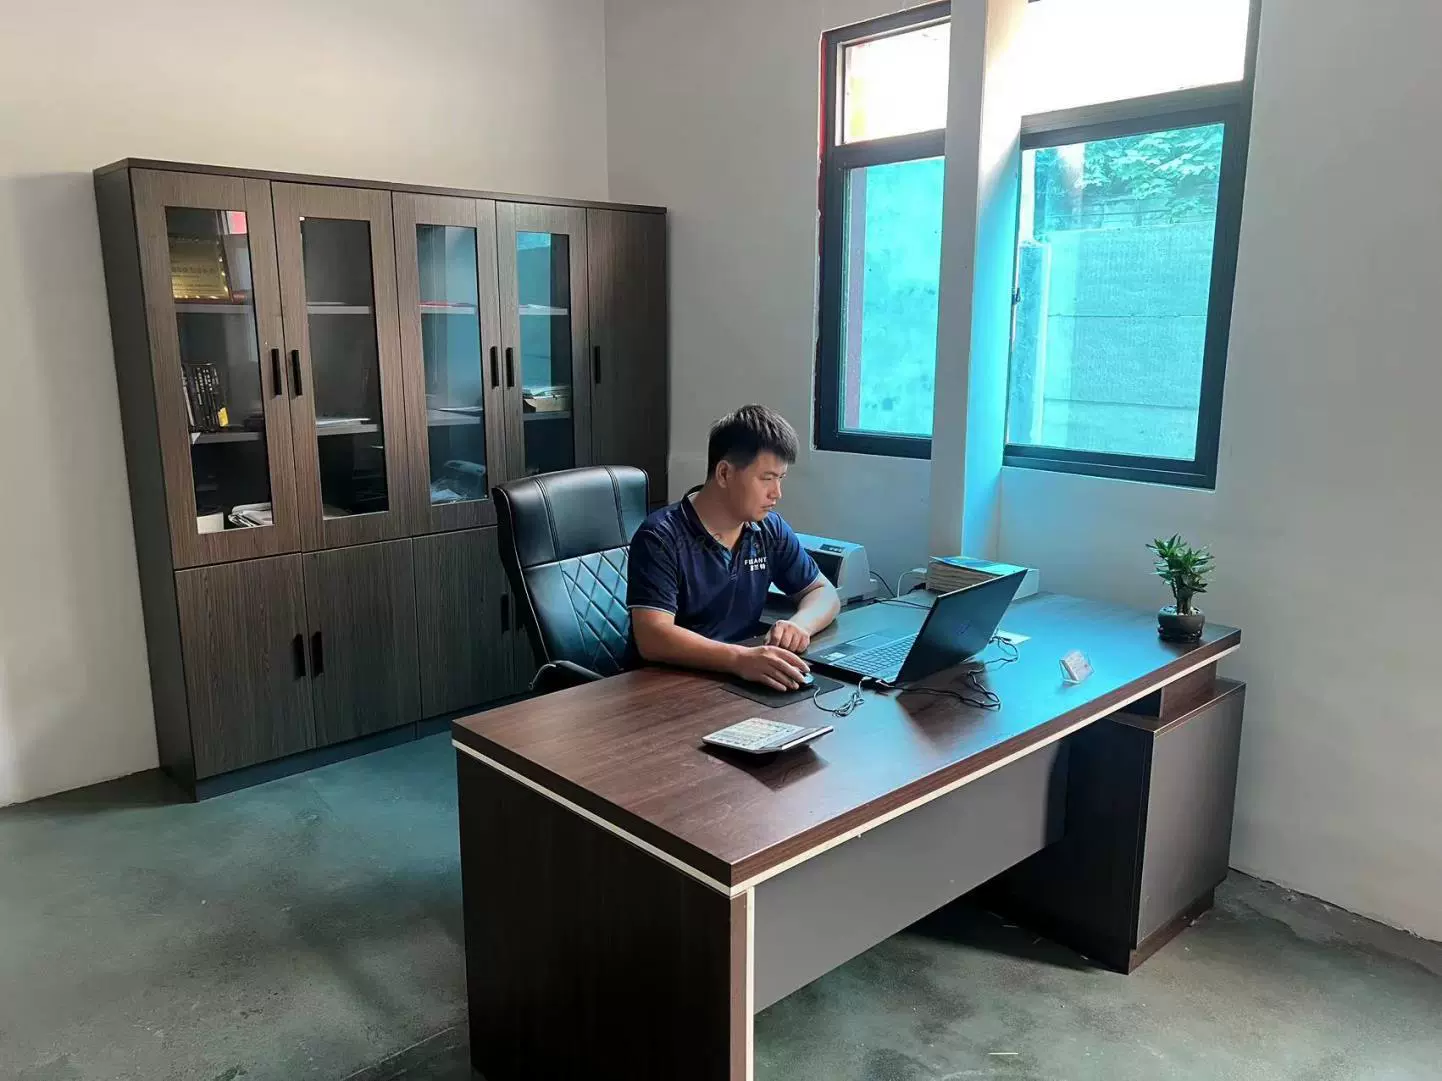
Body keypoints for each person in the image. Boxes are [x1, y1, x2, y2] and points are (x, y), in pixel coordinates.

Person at [628, 405, 841, 691]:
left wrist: (799, 626)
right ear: (724, 473)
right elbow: (653, 637)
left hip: (737, 681)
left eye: (780, 479)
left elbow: (823, 592)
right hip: (664, 688)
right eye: (766, 478)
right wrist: (739, 659)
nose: (777, 493)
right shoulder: (661, 536)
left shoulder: (769, 529)